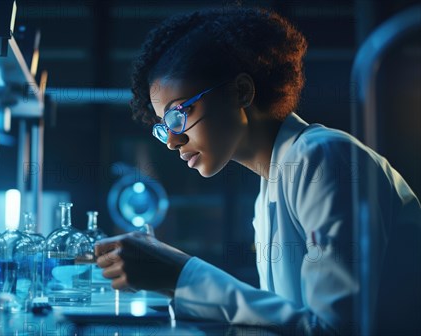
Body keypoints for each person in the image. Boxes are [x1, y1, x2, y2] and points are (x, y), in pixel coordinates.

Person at [94, 6, 421, 335]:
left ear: (242, 91)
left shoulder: (322, 157)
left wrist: (182, 275)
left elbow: (335, 331)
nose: (173, 141)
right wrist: (172, 279)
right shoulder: (271, 189)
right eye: (164, 127)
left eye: (179, 114)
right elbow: (285, 322)